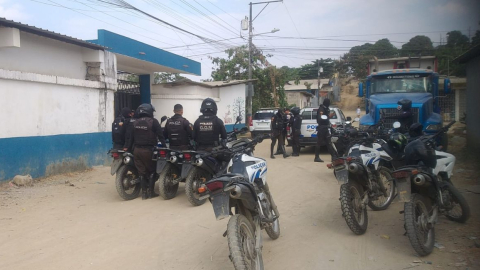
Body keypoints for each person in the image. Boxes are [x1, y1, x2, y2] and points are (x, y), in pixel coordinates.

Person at [128, 103, 166, 200]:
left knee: (141, 172)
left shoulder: (135, 122)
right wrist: (165, 147)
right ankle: (151, 192)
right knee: (152, 170)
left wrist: (129, 149)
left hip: (137, 150)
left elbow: (130, 138)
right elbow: (160, 135)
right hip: (148, 151)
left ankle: (144, 193)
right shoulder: (153, 122)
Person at [314, 98, 338, 162]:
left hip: (326, 127)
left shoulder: (325, 108)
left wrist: (330, 116)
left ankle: (333, 156)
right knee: (319, 142)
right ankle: (316, 157)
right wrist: (327, 117)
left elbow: (326, 117)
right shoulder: (321, 109)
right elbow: (320, 118)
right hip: (322, 127)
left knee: (328, 142)